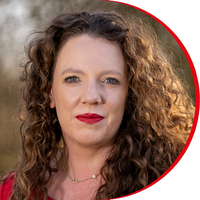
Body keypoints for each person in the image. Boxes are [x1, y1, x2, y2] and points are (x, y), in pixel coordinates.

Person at [0, 10, 194, 200]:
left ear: (131, 94)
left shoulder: (177, 183)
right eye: (73, 78)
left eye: (110, 80)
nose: (92, 97)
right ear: (49, 93)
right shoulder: (11, 192)